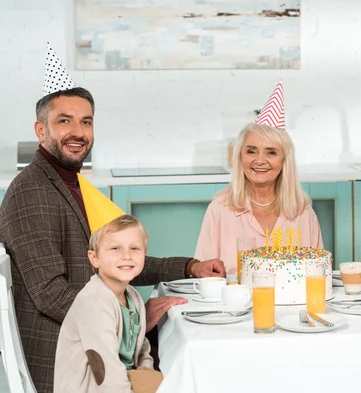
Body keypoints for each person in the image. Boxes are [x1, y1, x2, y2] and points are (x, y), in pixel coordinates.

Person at [0, 44, 225, 392]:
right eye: (64, 121)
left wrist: (189, 267)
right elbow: (51, 295)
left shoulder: (68, 183)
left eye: (86, 122)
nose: (78, 132)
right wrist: (130, 319)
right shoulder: (32, 192)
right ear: (40, 131)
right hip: (65, 360)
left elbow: (116, 260)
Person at [195, 83, 323, 274]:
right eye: (251, 151)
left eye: (271, 153)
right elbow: (205, 276)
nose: (260, 161)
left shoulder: (303, 213)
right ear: (240, 157)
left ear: (284, 161)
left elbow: (318, 275)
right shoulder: (220, 210)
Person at [55, 215, 164, 393]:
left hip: (125, 377)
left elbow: (141, 345)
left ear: (144, 253)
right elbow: (105, 369)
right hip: (94, 387)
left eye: (135, 248)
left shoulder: (132, 296)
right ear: (94, 258)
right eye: (115, 248)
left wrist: (147, 374)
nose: (127, 256)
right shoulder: (94, 303)